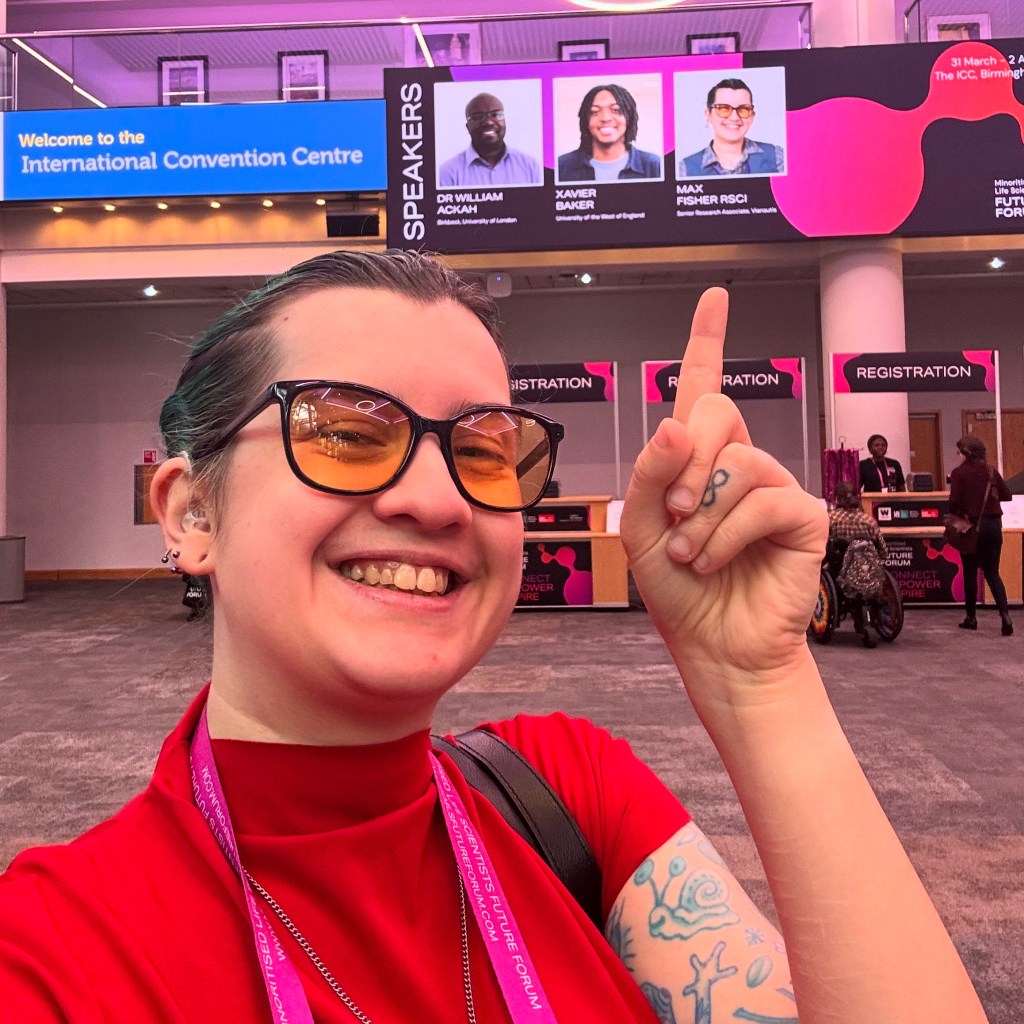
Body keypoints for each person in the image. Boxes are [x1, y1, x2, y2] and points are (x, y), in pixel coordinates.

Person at [0, 251, 987, 1024]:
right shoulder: (54, 950)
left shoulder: (566, 795)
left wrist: (761, 684)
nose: (437, 499)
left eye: (483, 447)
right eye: (346, 430)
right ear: (190, 514)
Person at [949, 434, 1013, 636]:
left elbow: (954, 502)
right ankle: (1005, 616)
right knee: (992, 573)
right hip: (994, 525)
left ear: (966, 453)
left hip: (972, 527)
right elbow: (1007, 495)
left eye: (959, 451)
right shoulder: (991, 471)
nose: (957, 455)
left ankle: (971, 618)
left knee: (969, 571)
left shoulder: (959, 473)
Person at [679, 78, 785, 177]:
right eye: (724, 108)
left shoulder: (777, 156)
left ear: (752, 116)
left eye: (743, 109)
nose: (734, 118)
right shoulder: (685, 168)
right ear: (708, 115)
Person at [557, 83, 662, 183]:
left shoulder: (654, 165)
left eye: (616, 110)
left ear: (629, 117)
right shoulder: (562, 166)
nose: (605, 118)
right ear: (586, 120)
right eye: (594, 112)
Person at [828, 480, 889, 647]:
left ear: (837, 499)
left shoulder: (831, 519)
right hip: (868, 571)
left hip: (841, 574)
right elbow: (883, 550)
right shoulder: (868, 521)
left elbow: (824, 547)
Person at [438, 91, 541, 188]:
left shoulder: (531, 167)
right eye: (478, 117)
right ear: (468, 127)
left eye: (496, 115)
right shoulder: (447, 173)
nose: (489, 122)